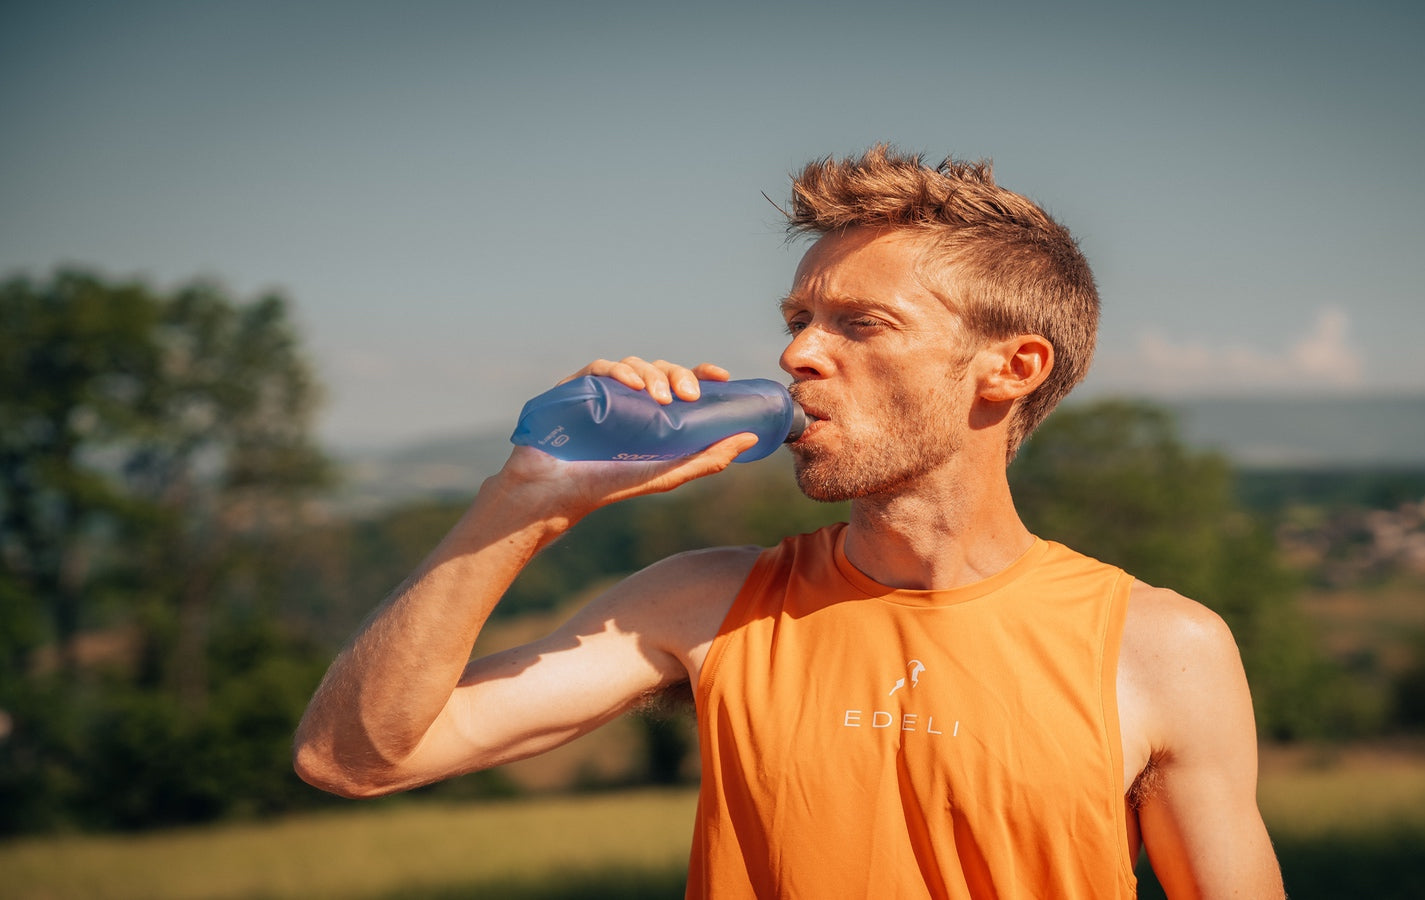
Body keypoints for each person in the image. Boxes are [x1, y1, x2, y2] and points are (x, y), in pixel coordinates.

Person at [294, 145, 1286, 898]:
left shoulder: (1161, 650)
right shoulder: (707, 603)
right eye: (797, 322)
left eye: (859, 324)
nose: (801, 356)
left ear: (1010, 367)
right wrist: (523, 505)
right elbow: (353, 757)